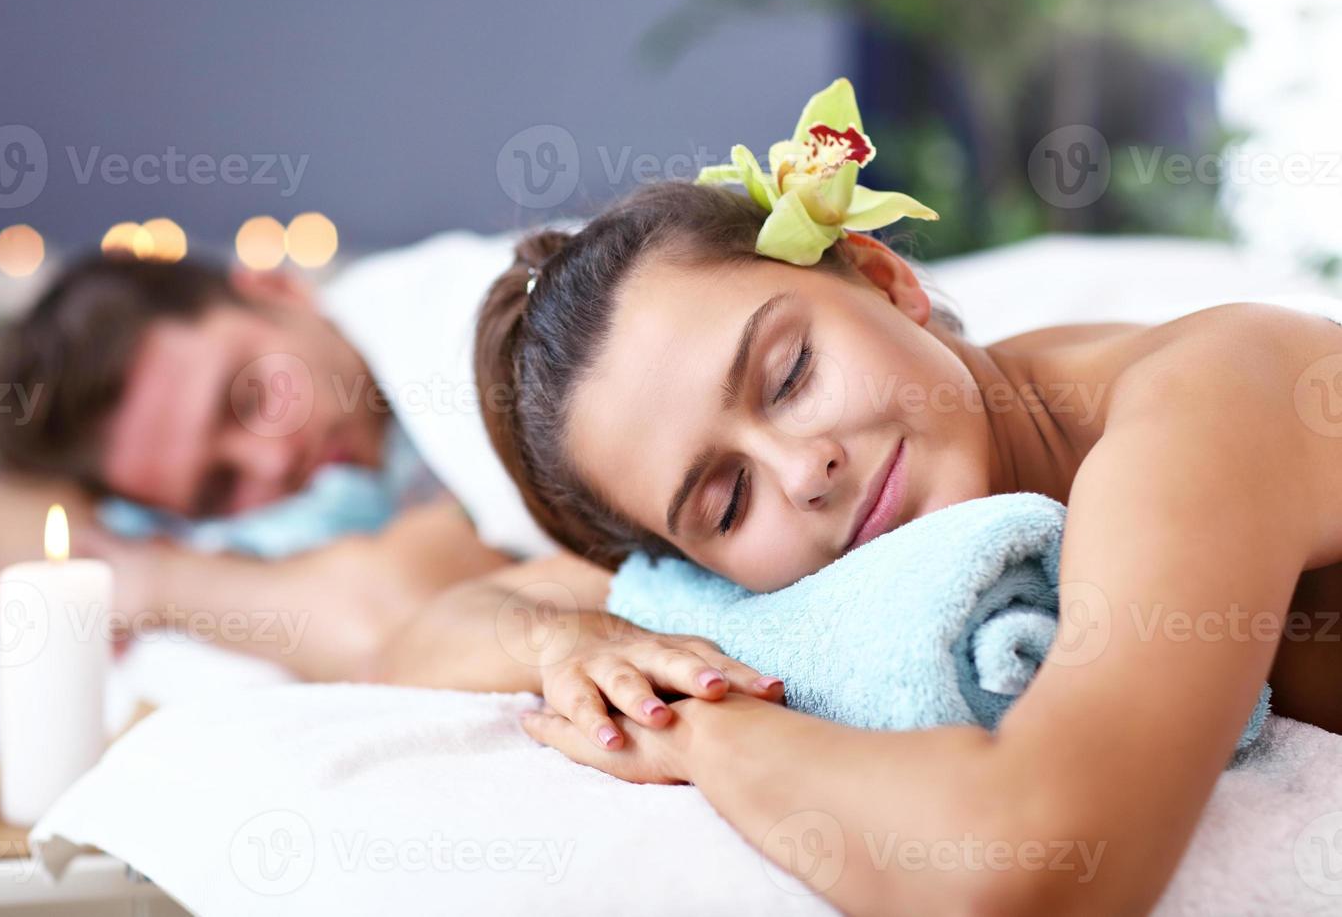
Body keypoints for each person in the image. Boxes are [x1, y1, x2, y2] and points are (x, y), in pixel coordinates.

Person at [380, 178, 1342, 915]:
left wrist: (702, 728)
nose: (803, 471)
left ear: (886, 279)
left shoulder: (1207, 401)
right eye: (724, 500)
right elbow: (434, 628)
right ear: (693, 565)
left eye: (792, 374)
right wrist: (571, 647)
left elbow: (1033, 862)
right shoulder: (956, 444)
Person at [0, 252, 514, 681]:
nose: (273, 460)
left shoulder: (474, 335)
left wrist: (158, 582)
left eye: (249, 397)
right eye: (219, 487)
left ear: (277, 290)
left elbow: (395, 619)